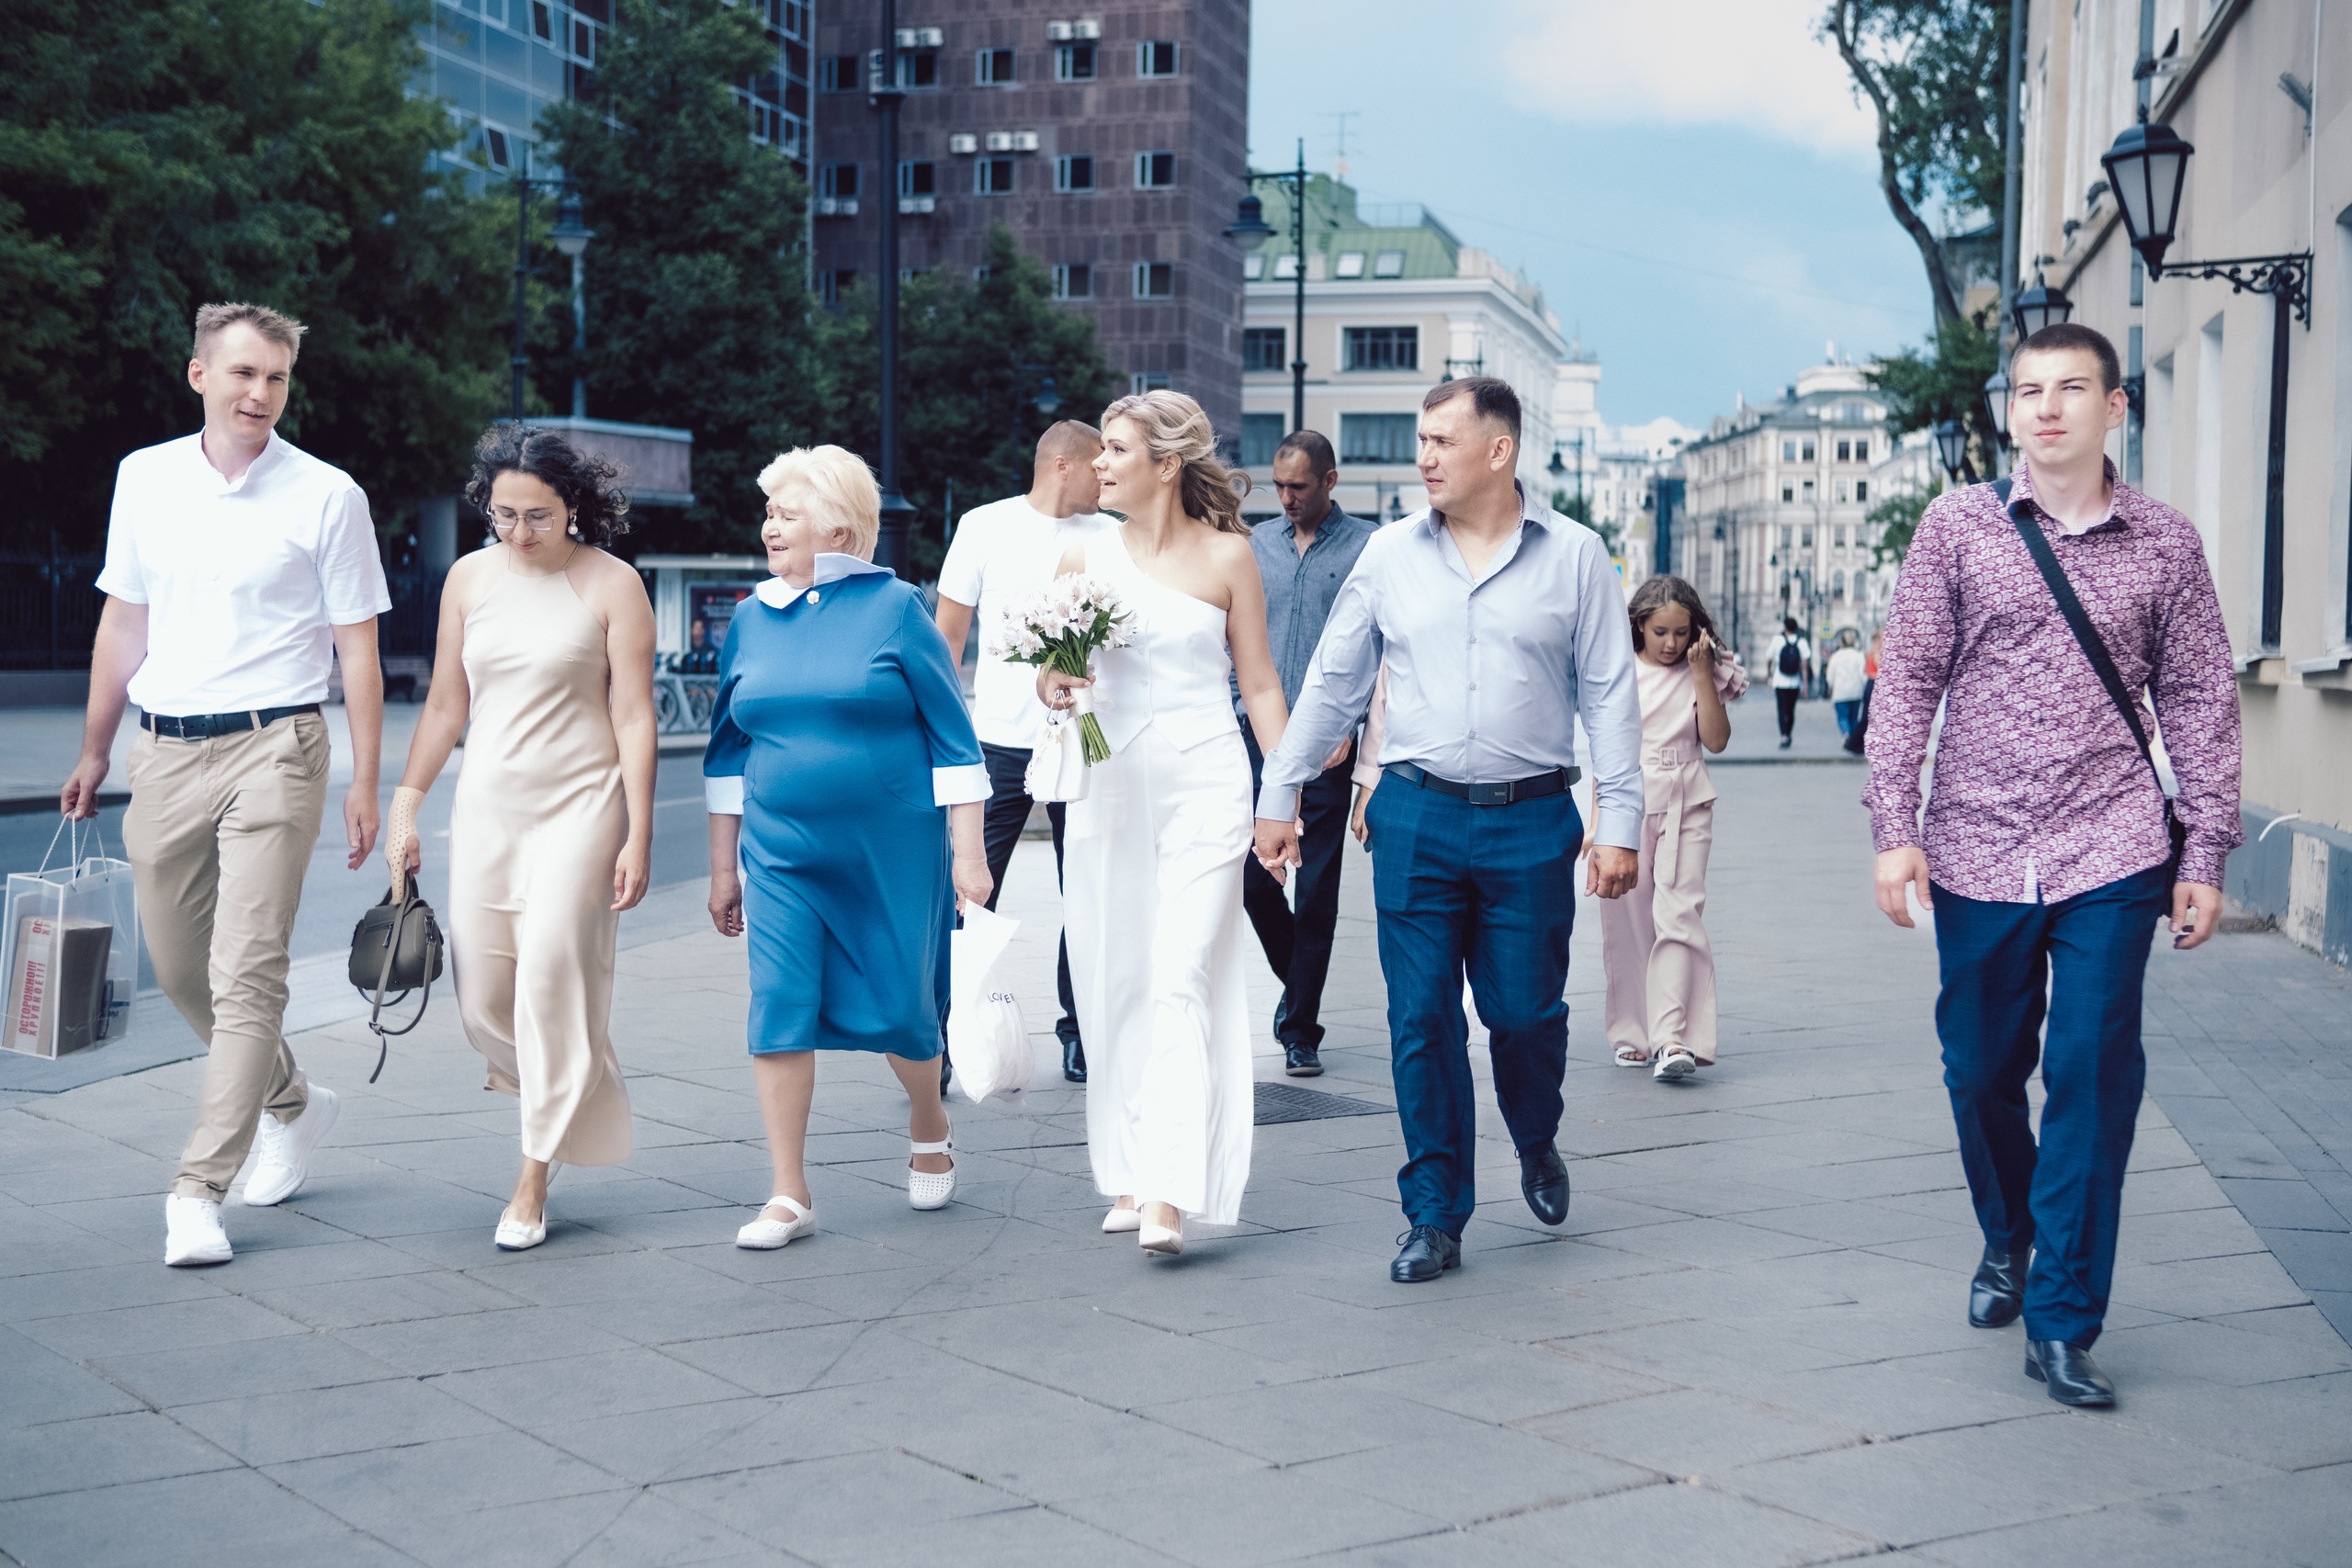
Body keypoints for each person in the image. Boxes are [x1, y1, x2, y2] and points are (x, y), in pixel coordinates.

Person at [1867, 321, 2241, 1409]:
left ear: (2114, 409)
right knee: (1980, 1069)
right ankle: (2008, 1235)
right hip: (1977, 844)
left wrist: (2203, 848)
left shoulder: (2165, 543)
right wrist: (1896, 826)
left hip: (2114, 845)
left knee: (2089, 1073)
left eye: (2071, 388)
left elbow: (2201, 699)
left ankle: (2065, 1315)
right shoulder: (1956, 529)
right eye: (2027, 390)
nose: (2045, 408)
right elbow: (1908, 684)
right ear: (2008, 411)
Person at [1255, 378, 1644, 1285]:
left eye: (1439, 440)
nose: (1422, 455)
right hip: (1416, 813)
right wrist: (1279, 793)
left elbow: (1610, 697)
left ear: (1497, 451)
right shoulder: (1389, 555)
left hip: (1533, 819)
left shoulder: (1576, 555)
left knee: (1522, 1016)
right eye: (1421, 440)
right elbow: (1334, 683)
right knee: (1420, 1020)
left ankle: (1535, 1134)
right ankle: (1434, 1213)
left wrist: (1617, 820)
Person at [60, 302, 389, 1268]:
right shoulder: (144, 478)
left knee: (248, 972)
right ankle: (292, 1101)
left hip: (275, 749)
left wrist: (368, 779)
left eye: (277, 378)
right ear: (198, 374)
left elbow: (357, 651)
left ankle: (197, 1189)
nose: (260, 394)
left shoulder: (327, 495)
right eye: (243, 373)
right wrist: (94, 746)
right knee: (180, 968)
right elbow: (125, 621)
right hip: (161, 751)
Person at [705, 446, 992, 1250]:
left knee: (904, 1004)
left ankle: (928, 1117)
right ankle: (788, 1192)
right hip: (782, 850)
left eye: (784, 513)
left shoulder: (898, 608)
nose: (769, 527)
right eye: (768, 513)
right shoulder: (753, 616)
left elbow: (954, 740)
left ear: (837, 524)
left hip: (889, 850)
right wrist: (724, 866)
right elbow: (727, 750)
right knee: (780, 1005)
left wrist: (968, 856)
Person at [381, 427, 657, 1252]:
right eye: (503, 514)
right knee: (483, 999)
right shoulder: (469, 579)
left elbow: (635, 715)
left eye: (538, 516)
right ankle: (569, 1078)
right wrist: (406, 803)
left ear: (576, 506)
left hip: (583, 806)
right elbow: (444, 705)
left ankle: (532, 1174)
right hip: (490, 808)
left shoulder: (614, 585)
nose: (519, 532)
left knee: (547, 976)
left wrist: (638, 832)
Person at [1037, 390, 1290, 1259]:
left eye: (1114, 449)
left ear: (1165, 463)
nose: (1098, 464)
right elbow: (1058, 675)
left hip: (1208, 784)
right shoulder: (1080, 558)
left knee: (1182, 975)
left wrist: (1280, 797)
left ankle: (1174, 1191)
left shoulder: (1229, 556)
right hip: (1109, 783)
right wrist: (1054, 682)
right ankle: (1132, 1168)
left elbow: (1258, 684)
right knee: (1116, 974)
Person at [934, 422, 1111, 1085]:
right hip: (996, 741)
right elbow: (945, 640)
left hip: (1087, 740)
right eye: (1102, 465)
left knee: (1087, 890)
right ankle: (948, 1032)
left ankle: (1079, 1030)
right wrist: (944, 737)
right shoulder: (985, 526)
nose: (1110, 477)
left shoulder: (1114, 535)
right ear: (1063, 465)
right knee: (968, 893)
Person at [1235, 429, 1374, 1078]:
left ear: (1329, 480)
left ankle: (1300, 1027)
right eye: (1279, 486)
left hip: (1327, 745)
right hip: (1253, 739)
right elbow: (1232, 634)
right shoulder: (1254, 545)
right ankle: (1299, 985)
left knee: (1316, 888)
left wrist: (1354, 720)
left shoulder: (1368, 547)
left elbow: (1381, 648)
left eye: (1299, 486)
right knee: (1253, 883)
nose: (1286, 498)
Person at [1592, 576, 1745, 1080]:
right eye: (1660, 631)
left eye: (1681, 632)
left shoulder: (1705, 667)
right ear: (1639, 625)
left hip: (1688, 798)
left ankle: (1673, 1037)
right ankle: (1632, 1031)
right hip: (1630, 801)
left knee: (1680, 915)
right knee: (1629, 922)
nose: (1671, 643)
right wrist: (1598, 826)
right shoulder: (1617, 670)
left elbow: (1717, 741)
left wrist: (1703, 672)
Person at [1770, 616, 1809, 749]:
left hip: (1780, 682)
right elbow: (1804, 666)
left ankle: (1784, 736)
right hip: (1794, 682)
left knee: (1781, 709)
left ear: (1785, 627)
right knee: (1791, 710)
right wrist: (1805, 685)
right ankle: (1788, 733)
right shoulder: (1802, 642)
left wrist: (1768, 672)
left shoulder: (1777, 640)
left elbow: (1769, 658)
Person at [1826, 629, 1868, 736]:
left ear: (1842, 642)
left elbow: (1830, 677)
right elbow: (1863, 675)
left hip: (1840, 692)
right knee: (1854, 718)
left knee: (1842, 716)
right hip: (1856, 692)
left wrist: (1830, 688)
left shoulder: (1835, 656)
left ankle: (1846, 733)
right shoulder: (1859, 656)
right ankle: (1853, 739)